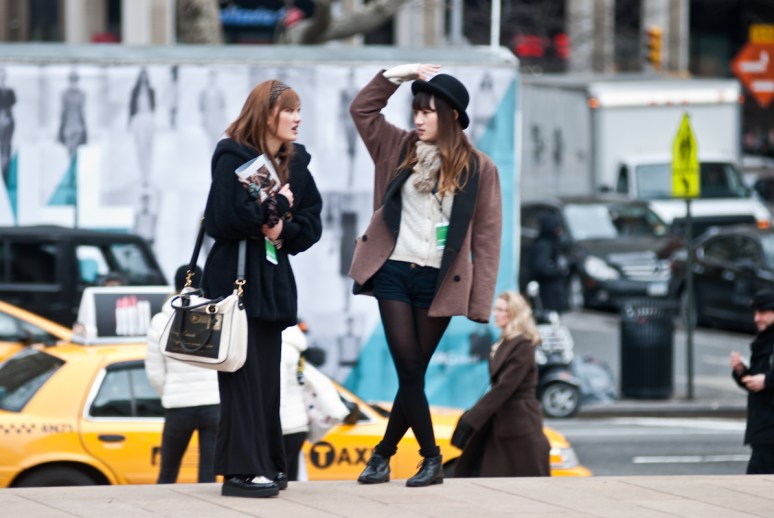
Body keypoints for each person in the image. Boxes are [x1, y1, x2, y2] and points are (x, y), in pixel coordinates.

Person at [348, 64, 502, 487]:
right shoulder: (396, 147)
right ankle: (431, 457)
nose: (418, 118)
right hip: (393, 271)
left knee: (412, 373)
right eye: (416, 110)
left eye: (428, 111)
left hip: (439, 282)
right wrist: (397, 74)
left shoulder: (480, 168)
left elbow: (487, 240)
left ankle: (382, 454)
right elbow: (362, 109)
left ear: (451, 116)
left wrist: (479, 301)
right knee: (409, 365)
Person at [202, 79, 322, 498]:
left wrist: (281, 227)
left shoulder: (298, 160)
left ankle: (267, 463)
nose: (297, 118)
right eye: (289, 110)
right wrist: (278, 208)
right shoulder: (233, 153)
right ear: (266, 113)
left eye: (298, 109)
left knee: (268, 377)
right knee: (241, 376)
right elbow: (222, 217)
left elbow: (312, 226)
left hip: (270, 280)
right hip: (234, 278)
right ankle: (240, 472)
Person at [451, 291, 550, 477]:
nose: (495, 313)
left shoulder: (523, 346)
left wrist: (471, 419)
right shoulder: (504, 342)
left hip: (520, 425)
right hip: (502, 423)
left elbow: (504, 387)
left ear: (514, 314)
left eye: (501, 310)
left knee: (525, 483)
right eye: (495, 309)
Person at [145, 265, 220, 484]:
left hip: (177, 406)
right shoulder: (214, 316)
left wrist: (168, 392)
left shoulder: (161, 320)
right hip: (213, 402)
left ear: (176, 285)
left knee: (168, 473)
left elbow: (154, 372)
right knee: (208, 475)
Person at [729, 288, 774, 474]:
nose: (757, 318)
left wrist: (767, 381)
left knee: (757, 484)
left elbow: (765, 379)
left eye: (762, 312)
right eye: (755, 313)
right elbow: (757, 379)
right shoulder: (765, 340)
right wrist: (741, 372)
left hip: (769, 428)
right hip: (764, 426)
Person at [279, 323, 310, 482]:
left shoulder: (282, 349)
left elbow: (279, 389)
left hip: (285, 424)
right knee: (291, 478)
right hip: (298, 423)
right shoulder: (297, 349)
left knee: (279, 478)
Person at [527, 212, 569, 312]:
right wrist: (558, 271)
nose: (559, 232)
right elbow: (541, 268)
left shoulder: (549, 243)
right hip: (547, 294)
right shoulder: (544, 246)